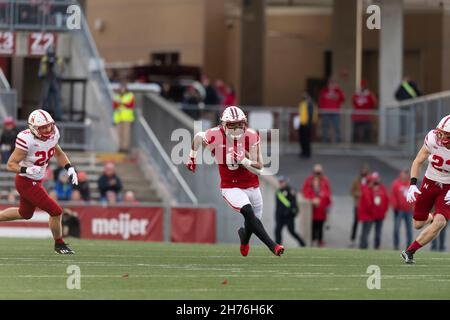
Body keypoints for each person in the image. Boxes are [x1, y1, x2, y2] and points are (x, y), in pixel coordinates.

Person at [186, 106, 284, 256]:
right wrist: (191, 157)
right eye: (232, 125)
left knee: (252, 223)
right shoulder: (214, 135)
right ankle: (273, 246)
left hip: (252, 185)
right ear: (224, 125)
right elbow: (199, 136)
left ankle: (244, 238)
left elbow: (259, 168)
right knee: (248, 212)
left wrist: (243, 159)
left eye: (240, 124)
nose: (237, 128)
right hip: (231, 186)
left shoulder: (251, 136)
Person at [0, 109, 77, 254]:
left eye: (49, 125)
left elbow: (58, 152)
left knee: (25, 214)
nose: (48, 129)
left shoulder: (53, 133)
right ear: (34, 128)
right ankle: (59, 244)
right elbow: (10, 164)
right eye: (43, 127)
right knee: (56, 211)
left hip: (36, 180)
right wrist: (26, 170)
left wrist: (69, 168)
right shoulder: (26, 140)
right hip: (26, 182)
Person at [403, 115, 450, 263]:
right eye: (440, 132)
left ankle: (410, 251)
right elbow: (418, 160)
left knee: (440, 222)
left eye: (446, 134)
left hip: (448, 187)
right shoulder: (432, 138)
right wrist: (412, 184)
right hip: (430, 181)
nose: (441, 137)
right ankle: (433, 216)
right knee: (418, 223)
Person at [302, 164, 332, 247]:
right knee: (312, 226)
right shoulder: (309, 180)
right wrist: (312, 199)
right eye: (316, 172)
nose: (317, 175)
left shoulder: (324, 181)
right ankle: (312, 240)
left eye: (319, 172)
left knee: (320, 226)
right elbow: (305, 192)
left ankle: (320, 240)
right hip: (312, 210)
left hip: (321, 209)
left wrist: (322, 199)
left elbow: (328, 193)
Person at [358, 172, 389, 249]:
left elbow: (386, 200)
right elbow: (369, 203)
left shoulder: (380, 188)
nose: (375, 182)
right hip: (368, 215)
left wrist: (384, 211)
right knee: (365, 232)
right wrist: (373, 212)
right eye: (373, 180)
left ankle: (372, 246)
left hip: (376, 215)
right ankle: (363, 246)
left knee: (373, 232)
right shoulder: (367, 190)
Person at [274, 176, 305, 247]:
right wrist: (277, 215)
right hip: (280, 216)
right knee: (277, 230)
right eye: (280, 182)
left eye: (282, 182)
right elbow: (277, 205)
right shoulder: (278, 192)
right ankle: (277, 246)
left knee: (292, 231)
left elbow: (293, 203)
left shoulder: (291, 190)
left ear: (285, 182)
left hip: (289, 216)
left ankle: (302, 243)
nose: (281, 183)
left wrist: (290, 212)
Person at [38, 46, 64, 121]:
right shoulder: (44, 60)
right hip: (47, 80)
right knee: (45, 98)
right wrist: (45, 64)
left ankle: (58, 116)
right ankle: (45, 115)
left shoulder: (58, 59)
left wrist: (56, 64)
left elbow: (61, 72)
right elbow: (40, 74)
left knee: (57, 99)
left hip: (55, 81)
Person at [391, 169, 414, 250]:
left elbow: (415, 195)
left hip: (408, 210)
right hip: (399, 210)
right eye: (404, 173)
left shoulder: (411, 184)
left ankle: (409, 247)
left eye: (407, 174)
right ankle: (396, 245)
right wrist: (395, 207)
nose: (405, 175)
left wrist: (413, 206)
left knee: (409, 230)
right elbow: (393, 196)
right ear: (401, 174)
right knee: (396, 228)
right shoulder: (396, 183)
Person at [319, 78, 345, 143]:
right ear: (328, 84)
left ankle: (338, 142)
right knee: (325, 127)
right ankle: (324, 141)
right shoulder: (324, 91)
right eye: (330, 83)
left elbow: (343, 99)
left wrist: (338, 89)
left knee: (337, 127)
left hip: (335, 112)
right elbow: (321, 101)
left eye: (332, 83)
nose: (331, 85)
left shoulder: (338, 91)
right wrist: (321, 111)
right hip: (326, 112)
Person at [349, 164, 370, 247]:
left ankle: (363, 240)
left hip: (366, 205)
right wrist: (357, 194)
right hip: (358, 205)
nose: (364, 172)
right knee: (356, 222)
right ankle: (352, 239)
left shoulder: (369, 180)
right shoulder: (356, 180)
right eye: (363, 170)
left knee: (366, 223)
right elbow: (352, 190)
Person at [113, 82, 135, 153]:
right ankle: (120, 147)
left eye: (123, 88)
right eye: (121, 88)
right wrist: (121, 103)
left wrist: (121, 103)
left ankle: (125, 148)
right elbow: (115, 105)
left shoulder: (130, 95)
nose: (122, 89)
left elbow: (130, 105)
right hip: (119, 118)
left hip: (126, 118)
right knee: (119, 134)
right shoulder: (116, 96)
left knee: (126, 134)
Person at [298, 92, 317, 158]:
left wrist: (309, 123)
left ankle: (307, 152)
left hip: (306, 123)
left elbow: (310, 114)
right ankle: (303, 152)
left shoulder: (309, 103)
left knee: (306, 139)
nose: (304, 95)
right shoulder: (302, 103)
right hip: (302, 123)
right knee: (302, 138)